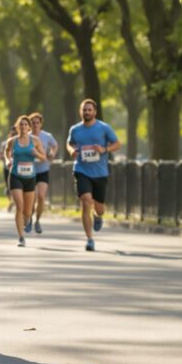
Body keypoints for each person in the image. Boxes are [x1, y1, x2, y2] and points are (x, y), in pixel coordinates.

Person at [66, 99, 120, 252]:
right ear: (80, 111)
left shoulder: (104, 128)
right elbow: (69, 143)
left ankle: (98, 216)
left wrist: (104, 149)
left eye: (90, 110)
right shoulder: (75, 130)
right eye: (84, 110)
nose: (87, 112)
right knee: (85, 201)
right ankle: (90, 239)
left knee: (100, 208)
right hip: (81, 170)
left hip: (100, 172)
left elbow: (117, 144)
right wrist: (71, 150)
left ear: (95, 112)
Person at [5, 116, 47, 247]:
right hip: (16, 175)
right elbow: (7, 152)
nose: (23, 127)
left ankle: (28, 219)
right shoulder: (12, 141)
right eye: (20, 125)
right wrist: (8, 161)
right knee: (19, 206)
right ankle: (21, 237)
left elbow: (44, 157)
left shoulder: (35, 141)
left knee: (27, 211)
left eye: (25, 125)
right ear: (17, 127)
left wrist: (36, 154)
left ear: (29, 127)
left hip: (30, 177)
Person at [28, 112, 58, 234]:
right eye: (33, 123)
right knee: (32, 198)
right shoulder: (27, 136)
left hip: (43, 169)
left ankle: (37, 221)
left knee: (41, 196)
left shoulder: (47, 136)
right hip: (29, 171)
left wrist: (52, 154)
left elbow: (55, 145)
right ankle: (29, 217)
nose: (35, 125)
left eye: (37, 123)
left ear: (41, 124)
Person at [0, 127, 18, 212]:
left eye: (15, 134)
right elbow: (1, 154)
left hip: (17, 168)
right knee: (8, 186)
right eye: (12, 134)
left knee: (14, 186)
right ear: (9, 135)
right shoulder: (4, 143)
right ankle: (10, 201)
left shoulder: (19, 143)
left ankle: (13, 201)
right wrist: (6, 158)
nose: (13, 136)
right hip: (7, 168)